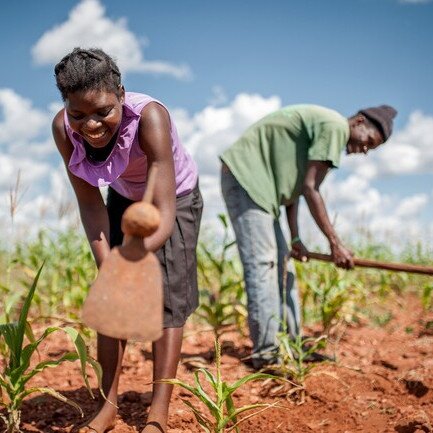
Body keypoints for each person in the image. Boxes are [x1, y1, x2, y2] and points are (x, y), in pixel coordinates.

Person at [52, 48, 203, 433]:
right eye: (78, 114)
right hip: (122, 196)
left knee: (167, 301)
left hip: (175, 197)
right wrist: (110, 265)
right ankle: (107, 407)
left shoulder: (150, 117)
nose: (91, 124)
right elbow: (89, 202)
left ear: (121, 93)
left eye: (103, 111)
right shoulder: (63, 129)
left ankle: (158, 413)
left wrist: (138, 255)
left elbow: (163, 210)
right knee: (111, 298)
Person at [219, 103, 397, 369]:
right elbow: (311, 189)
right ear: (359, 122)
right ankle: (267, 356)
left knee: (284, 266)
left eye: (370, 149)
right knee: (264, 266)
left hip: (265, 193)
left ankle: (294, 346)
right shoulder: (335, 126)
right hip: (246, 180)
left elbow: (296, 191)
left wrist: (295, 239)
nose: (363, 150)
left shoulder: (325, 130)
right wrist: (336, 245)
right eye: (367, 142)